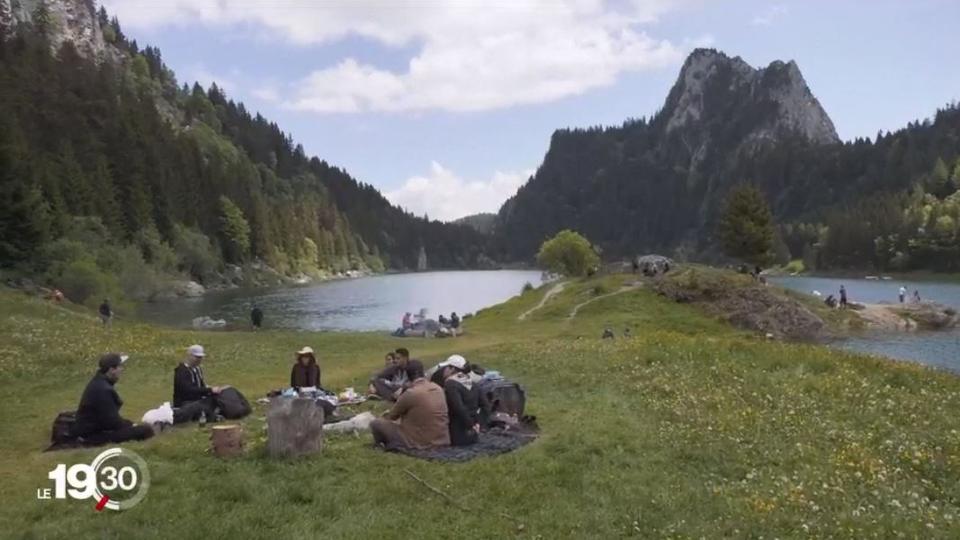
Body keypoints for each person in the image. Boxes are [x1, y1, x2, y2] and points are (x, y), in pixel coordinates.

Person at [71, 353, 154, 445]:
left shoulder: (98, 382)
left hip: (91, 432)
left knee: (135, 428)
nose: (122, 370)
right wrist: (130, 426)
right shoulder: (103, 390)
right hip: (92, 436)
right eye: (120, 367)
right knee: (145, 430)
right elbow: (112, 422)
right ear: (111, 370)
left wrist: (129, 424)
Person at [370, 362, 450, 450]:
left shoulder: (411, 393)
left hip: (421, 442)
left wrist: (385, 415)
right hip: (442, 439)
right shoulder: (438, 388)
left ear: (407, 376)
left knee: (376, 423)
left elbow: (392, 416)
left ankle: (382, 445)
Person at [433, 355, 486, 447]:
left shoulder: (450, 384)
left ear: (452, 369)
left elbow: (459, 407)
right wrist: (478, 423)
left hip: (457, 435)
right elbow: (486, 405)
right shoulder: (472, 382)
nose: (444, 371)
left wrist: (470, 425)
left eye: (446, 367)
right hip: (474, 434)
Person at [173, 344, 225, 423]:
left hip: (198, 399)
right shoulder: (181, 371)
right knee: (197, 407)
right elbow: (188, 389)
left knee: (220, 397)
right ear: (189, 355)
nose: (199, 360)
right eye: (197, 357)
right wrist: (209, 390)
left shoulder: (197, 369)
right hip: (186, 402)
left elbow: (200, 385)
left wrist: (210, 389)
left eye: (201, 357)